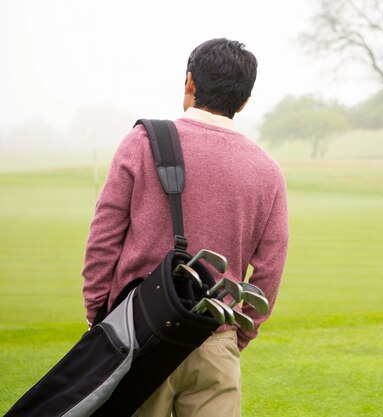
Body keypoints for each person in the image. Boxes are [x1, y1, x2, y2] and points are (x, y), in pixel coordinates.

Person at [82, 38, 289, 417]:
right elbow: (270, 269)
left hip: (137, 334)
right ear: (244, 101)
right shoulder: (267, 170)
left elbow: (103, 240)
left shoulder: (141, 142)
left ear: (189, 82)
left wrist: (99, 317)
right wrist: (239, 334)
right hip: (215, 336)